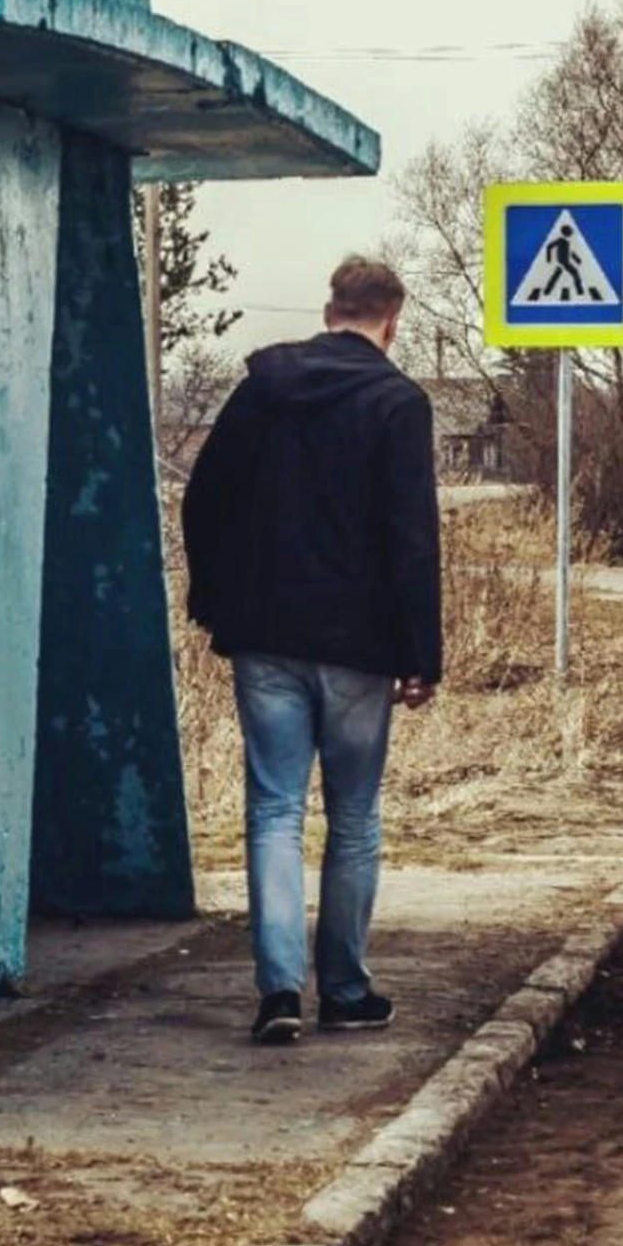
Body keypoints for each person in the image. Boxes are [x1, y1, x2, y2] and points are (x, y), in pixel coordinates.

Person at [179, 256, 442, 1045]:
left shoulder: (265, 388)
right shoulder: (399, 402)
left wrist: (213, 596)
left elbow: (204, 496)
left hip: (267, 636)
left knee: (273, 809)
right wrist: (420, 651)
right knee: (354, 815)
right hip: (359, 646)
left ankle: (278, 994)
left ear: (329, 308)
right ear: (391, 320)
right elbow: (411, 537)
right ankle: (348, 990)